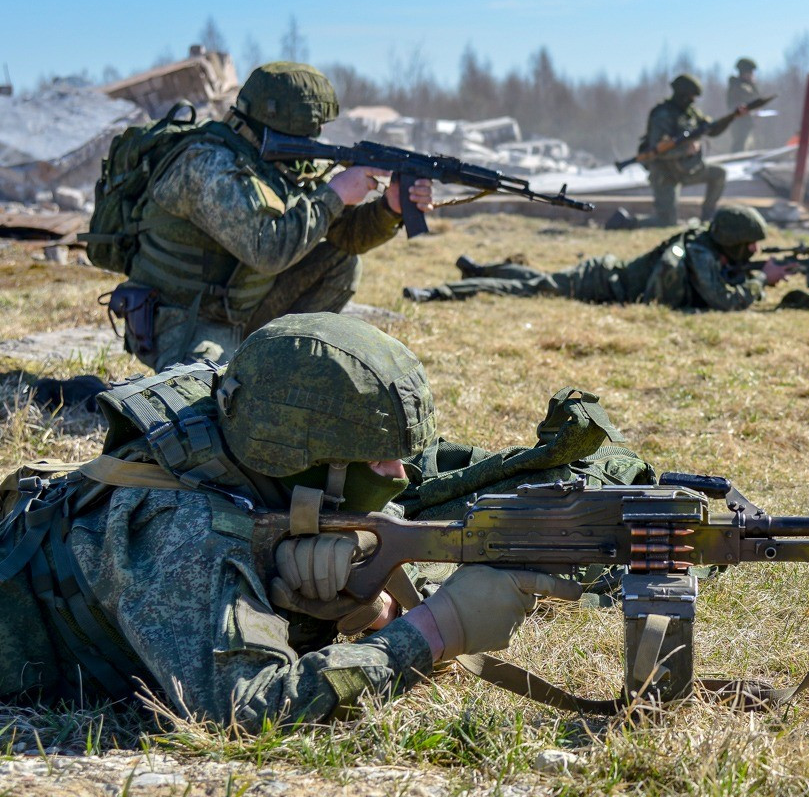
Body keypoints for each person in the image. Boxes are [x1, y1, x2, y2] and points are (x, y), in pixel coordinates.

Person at [0, 312, 582, 728]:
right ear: (302, 458)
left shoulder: (253, 470)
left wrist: (360, 607)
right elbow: (250, 710)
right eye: (378, 459)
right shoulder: (182, 533)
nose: (400, 476)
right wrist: (435, 630)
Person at [107, 62, 435, 373]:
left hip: (239, 308)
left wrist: (388, 208)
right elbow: (268, 249)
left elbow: (343, 234)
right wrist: (334, 194)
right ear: (277, 123)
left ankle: (273, 364)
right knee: (212, 409)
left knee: (341, 261)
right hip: (184, 321)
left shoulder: (276, 161)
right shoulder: (207, 165)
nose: (315, 137)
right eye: (307, 131)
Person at [403, 205, 794, 311]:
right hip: (597, 283)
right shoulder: (698, 251)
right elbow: (722, 300)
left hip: (602, 274)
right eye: (749, 246)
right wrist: (762, 282)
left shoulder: (705, 246)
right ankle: (438, 292)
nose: (755, 252)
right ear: (732, 241)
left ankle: (478, 268)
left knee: (536, 279)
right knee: (525, 288)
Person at [641, 74, 745, 227]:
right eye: (691, 96)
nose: (693, 100)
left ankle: (707, 217)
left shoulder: (691, 113)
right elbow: (656, 151)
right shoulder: (662, 115)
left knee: (719, 174)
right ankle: (625, 223)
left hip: (687, 169)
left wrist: (733, 116)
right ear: (682, 94)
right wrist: (685, 150)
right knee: (666, 222)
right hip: (665, 174)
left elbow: (712, 129)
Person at [726, 58, 762, 154]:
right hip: (740, 124)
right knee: (740, 150)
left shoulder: (744, 85)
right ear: (745, 73)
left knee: (748, 150)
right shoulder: (739, 87)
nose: (752, 75)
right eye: (750, 73)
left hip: (746, 123)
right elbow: (753, 99)